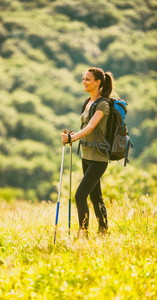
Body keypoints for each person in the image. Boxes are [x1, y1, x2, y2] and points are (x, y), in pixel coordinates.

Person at [61, 67, 114, 238]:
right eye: (83, 79)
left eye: (88, 79)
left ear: (98, 82)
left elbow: (91, 126)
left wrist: (72, 138)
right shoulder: (88, 103)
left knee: (80, 195)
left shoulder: (103, 104)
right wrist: (70, 136)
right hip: (86, 155)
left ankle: (83, 233)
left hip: (98, 157)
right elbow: (85, 127)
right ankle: (103, 232)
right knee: (95, 196)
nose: (84, 82)